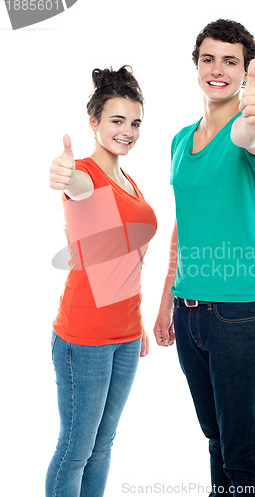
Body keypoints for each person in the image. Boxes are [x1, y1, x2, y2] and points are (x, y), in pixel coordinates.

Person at [154, 19, 255, 496]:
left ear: (246, 71)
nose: (218, 69)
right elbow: (184, 225)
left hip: (238, 314)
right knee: (215, 441)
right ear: (197, 65)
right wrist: (166, 299)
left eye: (231, 61)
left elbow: (253, 136)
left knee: (242, 449)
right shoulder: (180, 141)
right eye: (209, 58)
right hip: (189, 314)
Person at [46, 65, 157, 497]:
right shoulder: (87, 175)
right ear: (94, 121)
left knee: (102, 446)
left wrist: (138, 322)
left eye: (134, 123)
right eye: (116, 120)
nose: (127, 131)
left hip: (126, 335)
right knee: (76, 449)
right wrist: (64, 173)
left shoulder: (127, 179)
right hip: (84, 338)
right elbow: (74, 185)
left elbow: (125, 260)